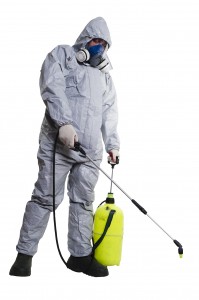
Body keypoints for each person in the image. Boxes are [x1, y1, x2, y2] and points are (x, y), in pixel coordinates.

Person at [9, 16, 120, 277]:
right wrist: (64, 123)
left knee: (84, 202)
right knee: (45, 199)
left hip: (89, 153)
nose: (99, 48)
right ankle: (24, 255)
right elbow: (51, 85)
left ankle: (80, 256)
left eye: (104, 44)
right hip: (58, 145)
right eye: (95, 41)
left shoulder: (105, 79)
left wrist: (113, 144)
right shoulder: (63, 56)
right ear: (84, 40)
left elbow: (110, 113)